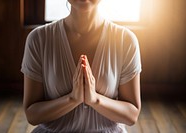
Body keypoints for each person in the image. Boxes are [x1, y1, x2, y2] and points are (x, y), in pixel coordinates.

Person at [21, 0, 142, 132]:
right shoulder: (38, 39)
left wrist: (95, 99)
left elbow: (132, 114)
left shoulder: (126, 40)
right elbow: (32, 114)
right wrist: (72, 99)